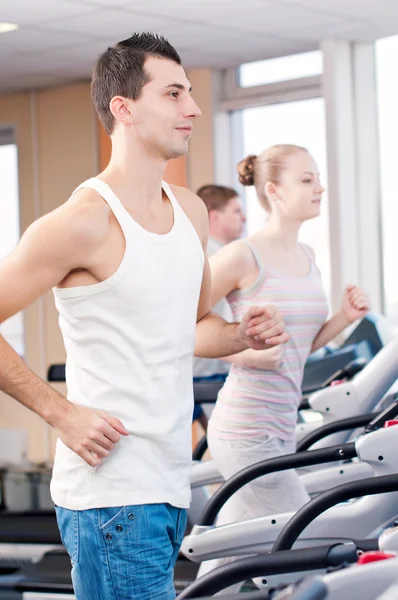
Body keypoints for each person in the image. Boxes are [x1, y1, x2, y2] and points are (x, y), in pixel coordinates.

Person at [0, 34, 289, 600]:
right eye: (174, 93)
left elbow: (193, 326)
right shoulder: (81, 221)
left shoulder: (189, 211)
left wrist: (240, 334)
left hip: (168, 481)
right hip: (112, 497)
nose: (194, 108)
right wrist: (62, 414)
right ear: (124, 108)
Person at [201, 144, 370, 587]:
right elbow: (177, 324)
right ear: (274, 191)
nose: (320, 187)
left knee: (229, 550)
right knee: (307, 538)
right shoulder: (243, 256)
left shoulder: (308, 257)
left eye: (318, 178)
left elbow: (298, 348)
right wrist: (245, 350)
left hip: (279, 425)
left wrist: (343, 320)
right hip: (245, 426)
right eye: (307, 180)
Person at [192, 185, 246, 431]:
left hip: (210, 367)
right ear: (214, 216)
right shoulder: (212, 258)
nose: (243, 218)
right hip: (204, 371)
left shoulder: (218, 253)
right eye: (236, 211)